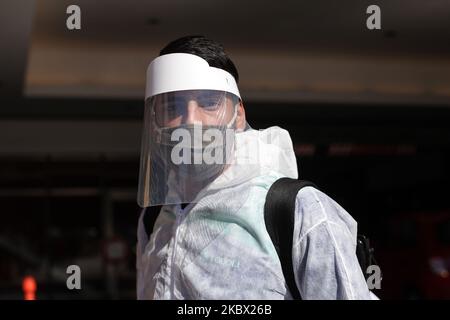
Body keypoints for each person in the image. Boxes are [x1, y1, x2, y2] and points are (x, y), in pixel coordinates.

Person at [136, 35, 377, 300]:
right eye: (173, 106)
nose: (191, 121)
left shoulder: (299, 211)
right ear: (156, 120)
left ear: (238, 114)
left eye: (208, 103)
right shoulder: (154, 216)